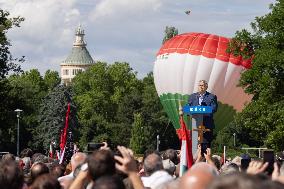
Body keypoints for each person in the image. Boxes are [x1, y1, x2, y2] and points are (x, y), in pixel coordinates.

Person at [188, 80, 218, 146]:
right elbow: (188, 109)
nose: (201, 87)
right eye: (199, 85)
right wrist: (193, 111)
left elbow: (214, 108)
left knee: (205, 147)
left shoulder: (212, 97)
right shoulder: (192, 97)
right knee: (194, 147)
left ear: (206, 87)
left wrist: (202, 110)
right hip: (195, 126)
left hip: (206, 126)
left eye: (203, 85)